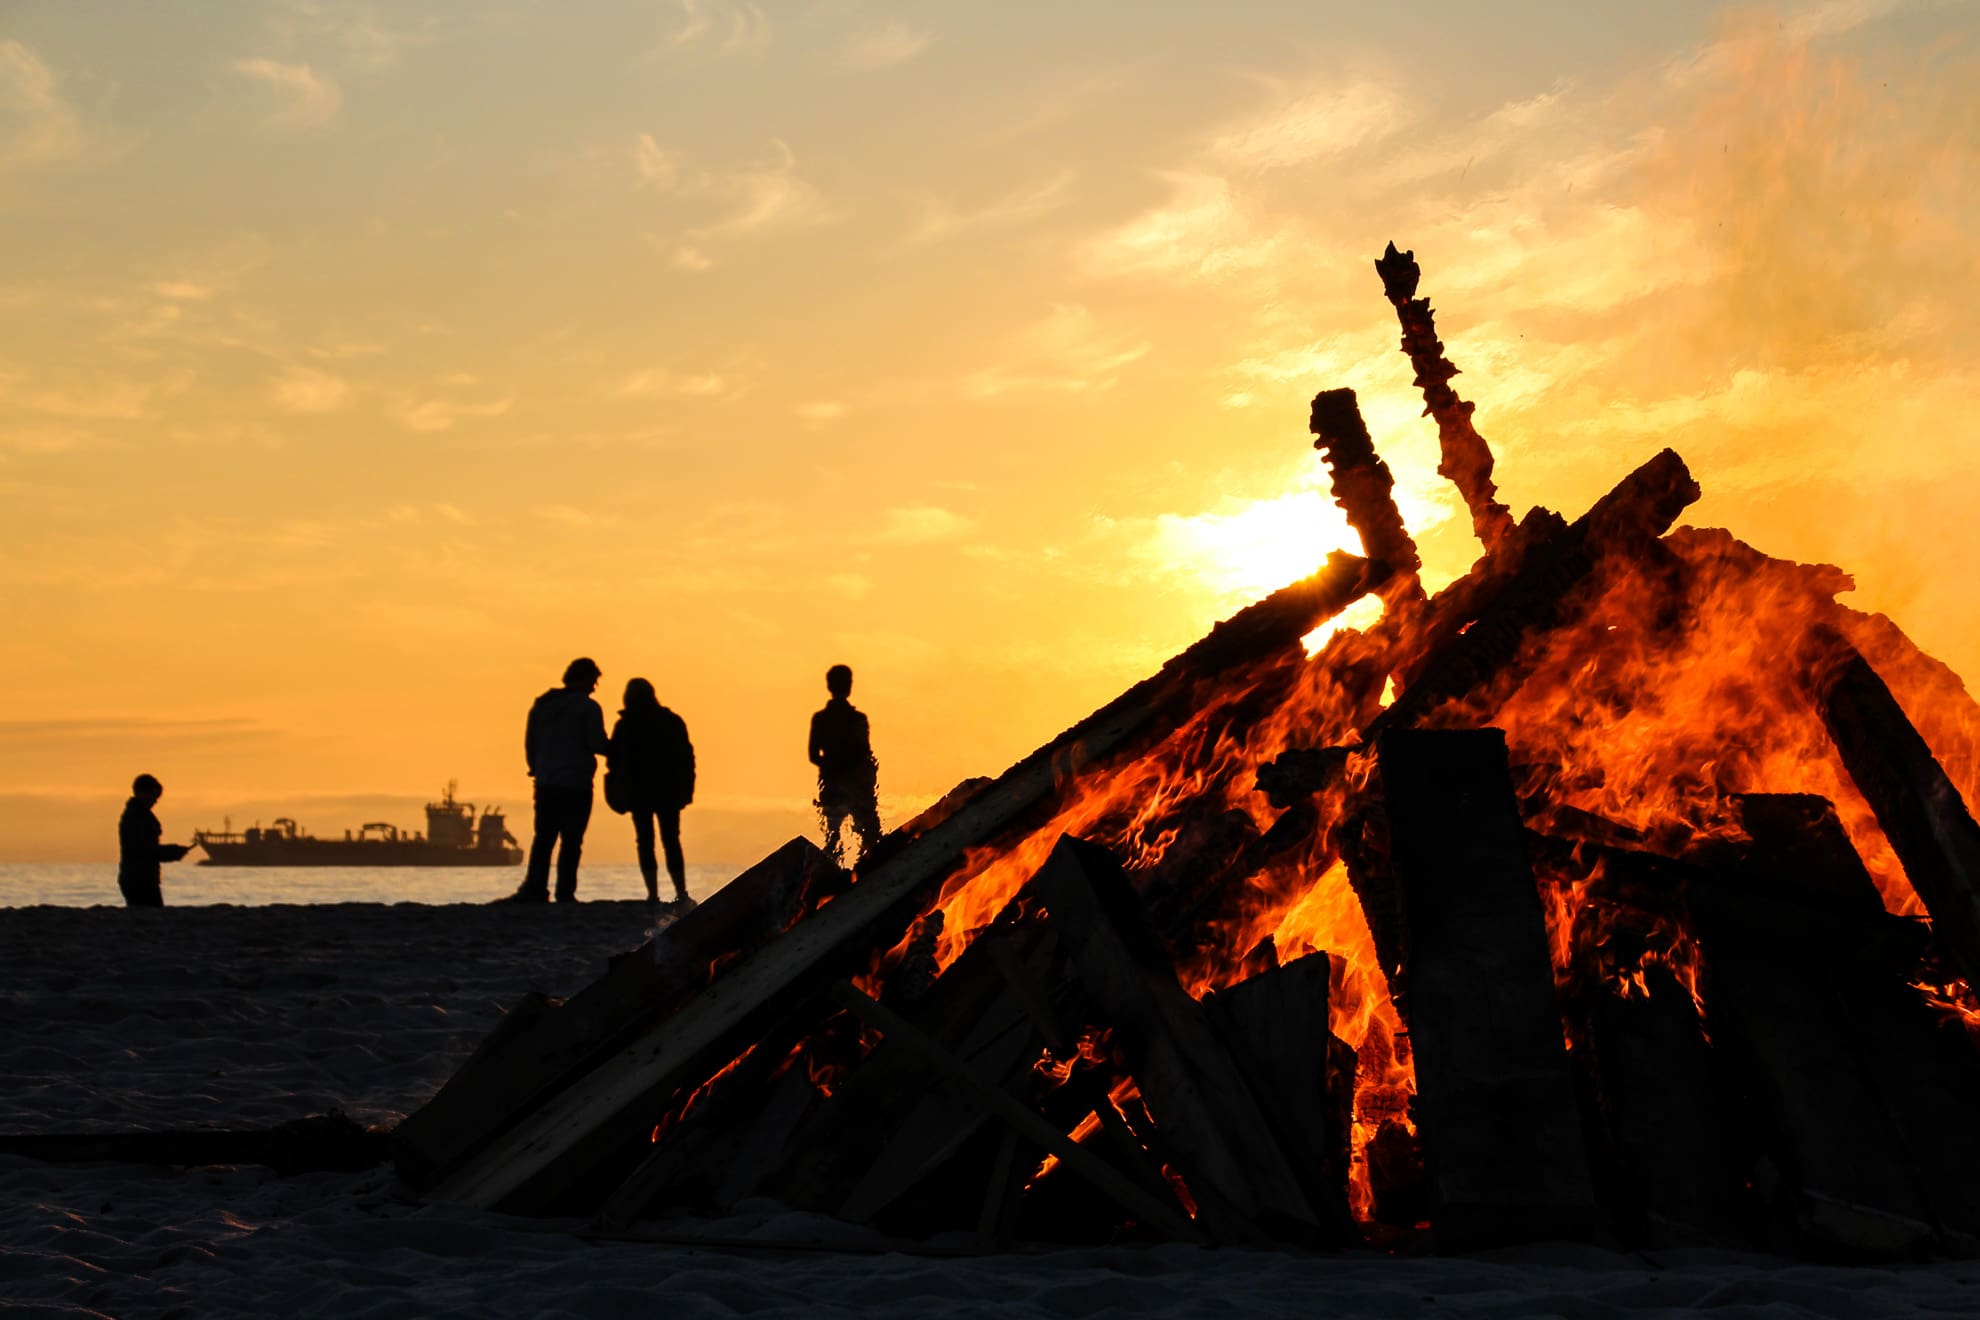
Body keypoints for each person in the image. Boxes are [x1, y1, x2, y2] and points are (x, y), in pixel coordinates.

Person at [508, 656, 610, 903]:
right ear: (585, 679)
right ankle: (565, 893)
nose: (595, 686)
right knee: (571, 840)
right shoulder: (588, 707)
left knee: (543, 838)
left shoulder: (542, 705)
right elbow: (598, 744)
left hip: (546, 782)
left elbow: (530, 742)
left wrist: (536, 769)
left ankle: (535, 888)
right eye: (594, 681)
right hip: (576, 782)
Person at [606, 677, 696, 906]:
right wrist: (687, 788)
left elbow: (614, 759)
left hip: (639, 792)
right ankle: (681, 891)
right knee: (671, 841)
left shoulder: (626, 725)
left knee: (645, 841)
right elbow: (687, 758)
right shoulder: (672, 721)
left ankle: (653, 894)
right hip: (668, 791)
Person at [808, 663, 881, 867]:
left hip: (832, 784)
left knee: (833, 839)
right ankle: (868, 869)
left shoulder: (821, 719)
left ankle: (836, 872)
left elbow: (814, 755)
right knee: (870, 833)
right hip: (854, 785)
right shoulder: (857, 719)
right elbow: (866, 754)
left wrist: (831, 768)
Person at [118, 773, 191, 907]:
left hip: (137, 877)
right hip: (140, 879)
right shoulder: (136, 817)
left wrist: (172, 852)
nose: (155, 801)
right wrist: (173, 852)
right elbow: (145, 851)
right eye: (154, 796)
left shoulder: (136, 814)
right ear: (143, 793)